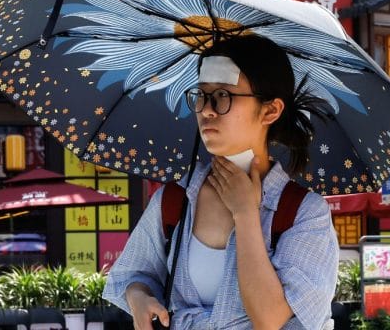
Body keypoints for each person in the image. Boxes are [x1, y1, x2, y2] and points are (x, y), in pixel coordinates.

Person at [102, 34, 339, 329]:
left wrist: (245, 214)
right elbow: (135, 274)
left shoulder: (303, 213)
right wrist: (138, 297)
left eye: (224, 96)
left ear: (270, 110)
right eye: (201, 95)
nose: (208, 110)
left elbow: (270, 319)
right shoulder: (174, 200)